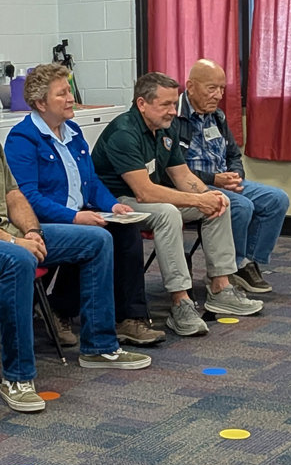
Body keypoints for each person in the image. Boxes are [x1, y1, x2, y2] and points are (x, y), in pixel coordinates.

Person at [0, 55, 151, 415]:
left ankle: (98, 346)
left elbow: (15, 195)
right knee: (17, 259)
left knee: (98, 238)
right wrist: (15, 241)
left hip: (7, 235)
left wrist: (31, 231)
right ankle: (18, 377)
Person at [4, 63, 165, 347]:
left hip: (77, 214)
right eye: (62, 94)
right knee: (94, 237)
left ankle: (129, 318)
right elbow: (28, 198)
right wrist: (74, 217)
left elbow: (91, 181)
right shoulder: (22, 140)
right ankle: (60, 309)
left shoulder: (73, 131)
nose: (70, 99)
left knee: (126, 230)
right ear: (41, 103)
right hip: (42, 222)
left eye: (69, 91)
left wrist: (113, 206)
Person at [92, 72, 263, 338]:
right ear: (141, 104)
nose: (174, 111)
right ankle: (180, 302)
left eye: (174, 104)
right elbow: (144, 192)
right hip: (117, 202)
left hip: (148, 197)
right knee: (167, 213)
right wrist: (197, 200)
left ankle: (220, 287)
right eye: (166, 105)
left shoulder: (164, 129)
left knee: (219, 203)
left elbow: (181, 175)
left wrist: (208, 197)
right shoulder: (123, 132)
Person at [171, 59, 289, 294]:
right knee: (240, 206)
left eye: (222, 89)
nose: (218, 95)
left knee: (277, 199)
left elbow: (234, 154)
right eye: (211, 88)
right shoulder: (173, 116)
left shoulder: (218, 116)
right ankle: (228, 268)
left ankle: (246, 262)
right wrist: (215, 180)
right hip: (192, 185)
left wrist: (236, 176)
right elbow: (174, 168)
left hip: (223, 180)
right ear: (191, 86)